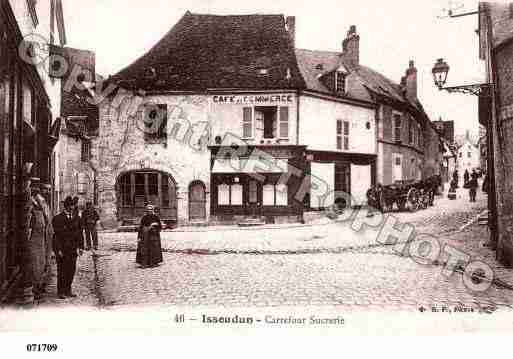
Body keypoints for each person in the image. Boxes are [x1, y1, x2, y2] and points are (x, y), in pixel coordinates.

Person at [52, 196, 84, 299]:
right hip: (62, 249)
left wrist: (81, 247)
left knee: (71, 270)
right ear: (65, 207)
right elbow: (56, 236)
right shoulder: (57, 219)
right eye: (69, 207)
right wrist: (58, 250)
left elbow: (80, 234)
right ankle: (61, 291)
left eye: (72, 206)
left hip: (73, 249)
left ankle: (68, 289)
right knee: (62, 270)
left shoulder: (77, 219)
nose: (71, 208)